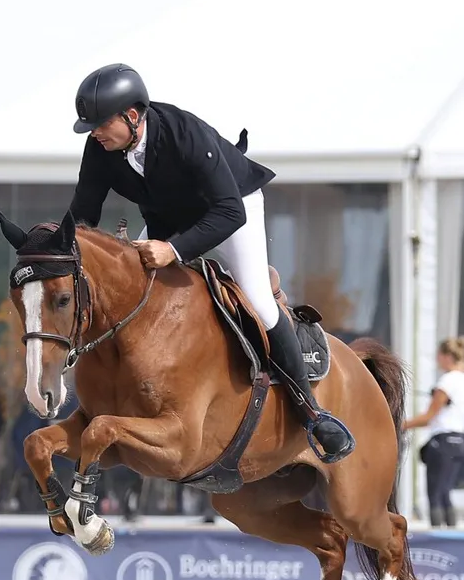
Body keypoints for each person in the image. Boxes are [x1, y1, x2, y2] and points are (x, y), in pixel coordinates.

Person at [68, 63, 353, 463]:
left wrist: (174, 251)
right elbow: (83, 214)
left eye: (100, 124)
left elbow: (228, 212)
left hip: (232, 208)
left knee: (257, 299)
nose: (95, 133)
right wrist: (56, 248)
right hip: (171, 217)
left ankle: (311, 411)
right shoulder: (101, 148)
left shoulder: (186, 135)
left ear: (132, 117)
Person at [404, 337, 464, 527]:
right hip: (460, 442)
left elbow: (428, 417)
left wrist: (402, 425)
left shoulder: (446, 381)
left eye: (438, 355)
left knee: (435, 495)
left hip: (443, 443)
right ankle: (453, 540)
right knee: (446, 492)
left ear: (447, 357)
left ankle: (437, 538)